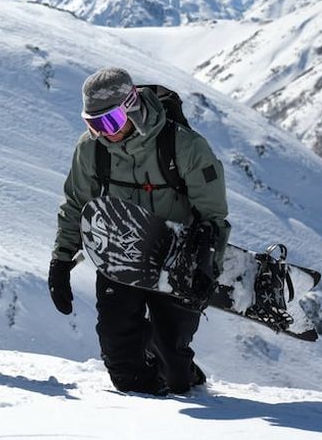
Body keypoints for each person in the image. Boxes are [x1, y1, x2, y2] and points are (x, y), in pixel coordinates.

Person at [48, 68, 230, 395]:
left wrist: (207, 261)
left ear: (131, 105)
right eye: (94, 124)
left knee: (175, 372)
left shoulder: (184, 146)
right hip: (120, 253)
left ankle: (178, 366)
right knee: (123, 365)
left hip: (177, 257)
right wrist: (61, 260)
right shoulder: (91, 149)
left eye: (110, 122)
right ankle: (146, 417)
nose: (104, 132)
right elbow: (77, 202)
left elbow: (214, 214)